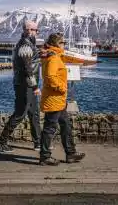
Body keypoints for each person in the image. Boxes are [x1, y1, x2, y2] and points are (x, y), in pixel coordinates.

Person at [0, 20, 42, 153]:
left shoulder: (29, 44)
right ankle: (1, 142)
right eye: (36, 30)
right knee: (20, 113)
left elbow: (32, 60)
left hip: (27, 85)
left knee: (34, 114)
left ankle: (38, 143)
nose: (37, 33)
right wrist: (35, 86)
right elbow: (27, 69)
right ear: (29, 30)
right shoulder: (25, 46)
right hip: (25, 86)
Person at [39, 33, 85, 166]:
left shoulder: (55, 55)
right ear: (57, 44)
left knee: (66, 125)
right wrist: (62, 88)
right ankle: (45, 156)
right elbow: (50, 77)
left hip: (59, 100)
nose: (64, 44)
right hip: (54, 98)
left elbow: (64, 58)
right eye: (63, 42)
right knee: (50, 128)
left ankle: (70, 154)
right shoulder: (53, 58)